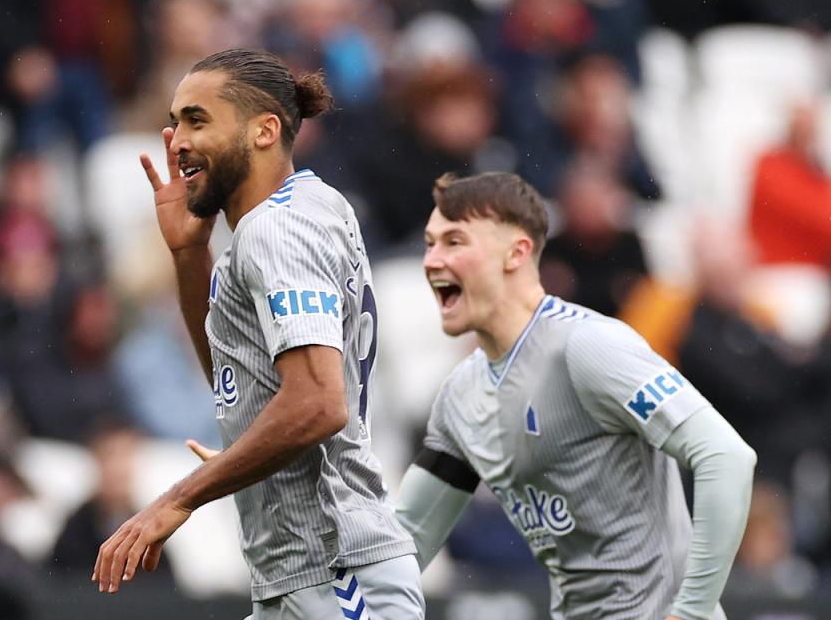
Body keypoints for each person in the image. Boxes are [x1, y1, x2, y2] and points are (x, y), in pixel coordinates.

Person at [92, 48, 423, 619]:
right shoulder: (305, 209)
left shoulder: (278, 228)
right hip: (301, 573)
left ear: (265, 130)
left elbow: (319, 403)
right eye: (174, 122)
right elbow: (228, 375)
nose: (176, 140)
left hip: (335, 569)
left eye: (198, 119)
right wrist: (191, 255)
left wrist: (179, 498)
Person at [394, 172, 757, 619]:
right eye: (430, 244)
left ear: (517, 253)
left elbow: (726, 456)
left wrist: (694, 611)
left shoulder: (588, 348)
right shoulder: (461, 395)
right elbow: (406, 542)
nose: (432, 260)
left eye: (453, 242)